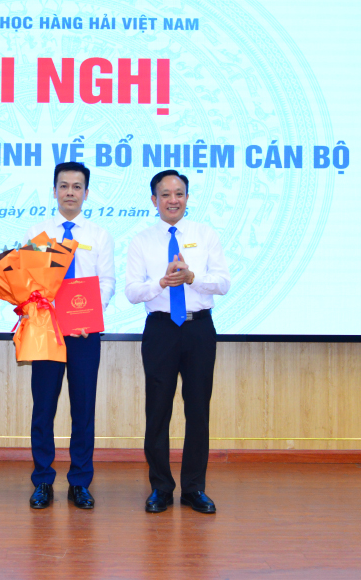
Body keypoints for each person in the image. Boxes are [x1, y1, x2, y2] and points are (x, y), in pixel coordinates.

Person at [125, 170, 231, 514]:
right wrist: (161, 283)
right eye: (166, 194)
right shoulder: (141, 241)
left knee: (198, 410)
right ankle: (160, 488)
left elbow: (223, 283)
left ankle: (194, 489)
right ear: (154, 200)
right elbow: (132, 292)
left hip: (199, 329)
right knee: (157, 410)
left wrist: (192, 278)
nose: (173, 200)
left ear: (187, 197)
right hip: (160, 330)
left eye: (179, 193)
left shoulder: (205, 234)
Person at [23, 161, 115, 509]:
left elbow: (107, 281)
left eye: (77, 187)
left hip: (84, 335)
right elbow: (30, 282)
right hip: (47, 333)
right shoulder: (39, 233)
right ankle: (43, 481)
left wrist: (89, 315)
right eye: (64, 186)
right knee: (43, 409)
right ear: (54, 190)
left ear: (86, 193)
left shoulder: (98, 235)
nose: (70, 192)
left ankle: (80, 482)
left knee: (83, 409)